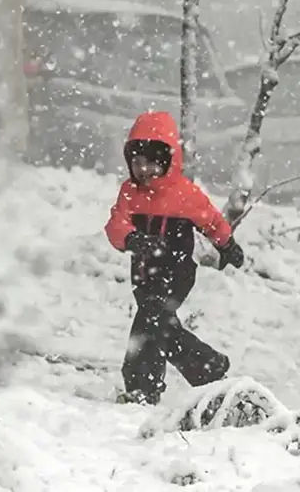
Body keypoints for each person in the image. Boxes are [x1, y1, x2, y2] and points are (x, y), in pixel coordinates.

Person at [105, 111, 245, 405]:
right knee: (157, 327)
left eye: (152, 163)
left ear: (169, 161)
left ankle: (147, 383)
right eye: (137, 162)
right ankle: (201, 368)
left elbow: (211, 220)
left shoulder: (184, 194)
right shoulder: (130, 193)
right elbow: (116, 224)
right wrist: (132, 238)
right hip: (143, 274)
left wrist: (227, 244)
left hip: (175, 271)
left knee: (152, 322)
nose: (143, 170)